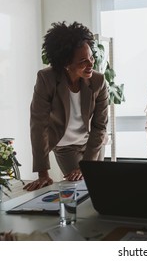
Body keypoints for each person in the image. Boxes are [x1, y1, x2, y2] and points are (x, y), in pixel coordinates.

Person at [24, 21, 109, 191]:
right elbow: (38, 125)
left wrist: (87, 164)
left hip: (92, 143)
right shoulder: (46, 79)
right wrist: (43, 173)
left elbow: (100, 126)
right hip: (65, 146)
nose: (91, 64)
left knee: (98, 187)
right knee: (77, 190)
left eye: (91, 57)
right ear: (65, 62)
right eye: (83, 61)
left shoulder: (98, 81)